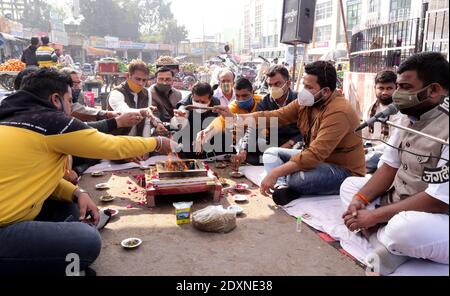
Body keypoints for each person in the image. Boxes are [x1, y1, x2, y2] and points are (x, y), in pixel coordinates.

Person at [0, 68, 177, 275]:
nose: (70, 105)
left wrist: (77, 192)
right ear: (55, 99)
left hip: (18, 212)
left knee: (72, 207)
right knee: (86, 241)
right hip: (5, 227)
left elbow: (34, 179)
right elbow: (110, 146)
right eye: (69, 98)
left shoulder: (11, 117)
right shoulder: (50, 122)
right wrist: (157, 143)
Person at [340, 52, 449, 276]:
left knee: (404, 228)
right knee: (350, 187)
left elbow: (438, 200)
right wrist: (359, 200)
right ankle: (385, 244)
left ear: (435, 90)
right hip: (400, 202)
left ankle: (383, 237)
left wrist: (374, 217)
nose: (397, 95)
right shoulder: (409, 114)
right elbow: (389, 166)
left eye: (405, 87)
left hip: (437, 214)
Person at [216, 61, 365, 206]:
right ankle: (282, 187)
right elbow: (275, 116)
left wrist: (275, 173)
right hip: (314, 160)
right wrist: (234, 118)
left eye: (309, 87)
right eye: (303, 85)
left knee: (296, 179)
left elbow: (314, 155)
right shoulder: (307, 101)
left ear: (325, 91)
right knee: (270, 153)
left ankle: (289, 185)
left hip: (342, 170)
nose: (303, 91)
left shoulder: (339, 112)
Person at [234, 65, 302, 165]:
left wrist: (291, 142)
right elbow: (253, 128)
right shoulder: (265, 102)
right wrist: (244, 149)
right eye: (270, 85)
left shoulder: (299, 100)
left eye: (277, 84)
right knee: (244, 146)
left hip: (295, 143)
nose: (273, 88)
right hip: (273, 144)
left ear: (288, 83)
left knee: (299, 152)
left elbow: (307, 130)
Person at [195, 78, 261, 156]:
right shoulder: (233, 107)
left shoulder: (261, 102)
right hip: (239, 142)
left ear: (253, 93)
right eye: (237, 96)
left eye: (244, 96)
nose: (241, 99)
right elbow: (219, 121)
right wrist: (205, 132)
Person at [108, 59, 167, 139]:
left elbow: (146, 122)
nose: (141, 83)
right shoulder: (117, 93)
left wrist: (146, 144)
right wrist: (145, 112)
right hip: (118, 140)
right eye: (138, 79)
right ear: (128, 76)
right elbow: (124, 111)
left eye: (144, 80)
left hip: (138, 141)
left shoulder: (146, 93)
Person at [363, 70, 403, 173]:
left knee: (361, 162)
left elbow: (394, 144)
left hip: (388, 153)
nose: (384, 92)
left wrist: (368, 151)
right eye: (381, 88)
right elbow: (363, 134)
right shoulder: (371, 108)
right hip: (370, 148)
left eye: (389, 88)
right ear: (375, 88)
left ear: (396, 88)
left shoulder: (400, 111)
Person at [173, 82, 221, 158]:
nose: (199, 104)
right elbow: (182, 111)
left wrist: (203, 139)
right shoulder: (185, 104)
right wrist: (181, 117)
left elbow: (217, 123)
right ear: (192, 96)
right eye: (196, 101)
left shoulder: (216, 103)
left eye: (203, 102)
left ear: (210, 99)